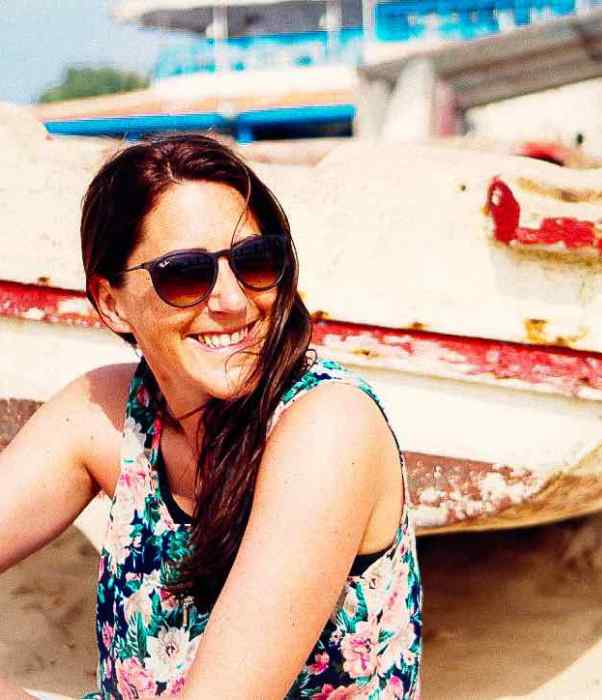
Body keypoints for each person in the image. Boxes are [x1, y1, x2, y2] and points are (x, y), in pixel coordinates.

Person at [0, 134, 422, 699]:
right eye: (185, 275)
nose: (233, 301)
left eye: (255, 261)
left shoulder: (327, 427)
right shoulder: (108, 414)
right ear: (112, 302)